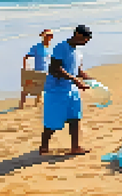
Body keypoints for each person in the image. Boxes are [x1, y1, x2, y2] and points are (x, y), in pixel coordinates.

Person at [39, 25, 94, 156]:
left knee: (75, 118)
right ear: (77, 35)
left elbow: (77, 70)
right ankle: (44, 147)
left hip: (72, 90)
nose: (85, 42)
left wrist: (85, 77)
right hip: (56, 91)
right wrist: (74, 80)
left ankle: (75, 147)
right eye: (85, 39)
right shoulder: (61, 48)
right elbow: (54, 69)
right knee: (52, 121)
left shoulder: (78, 52)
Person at [20, 29, 54, 109]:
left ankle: (38, 103)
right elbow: (26, 57)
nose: (47, 37)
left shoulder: (50, 49)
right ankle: (21, 104)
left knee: (42, 88)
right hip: (37, 71)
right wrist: (26, 70)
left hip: (46, 72)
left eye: (49, 36)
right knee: (27, 88)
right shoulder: (37, 47)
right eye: (46, 36)